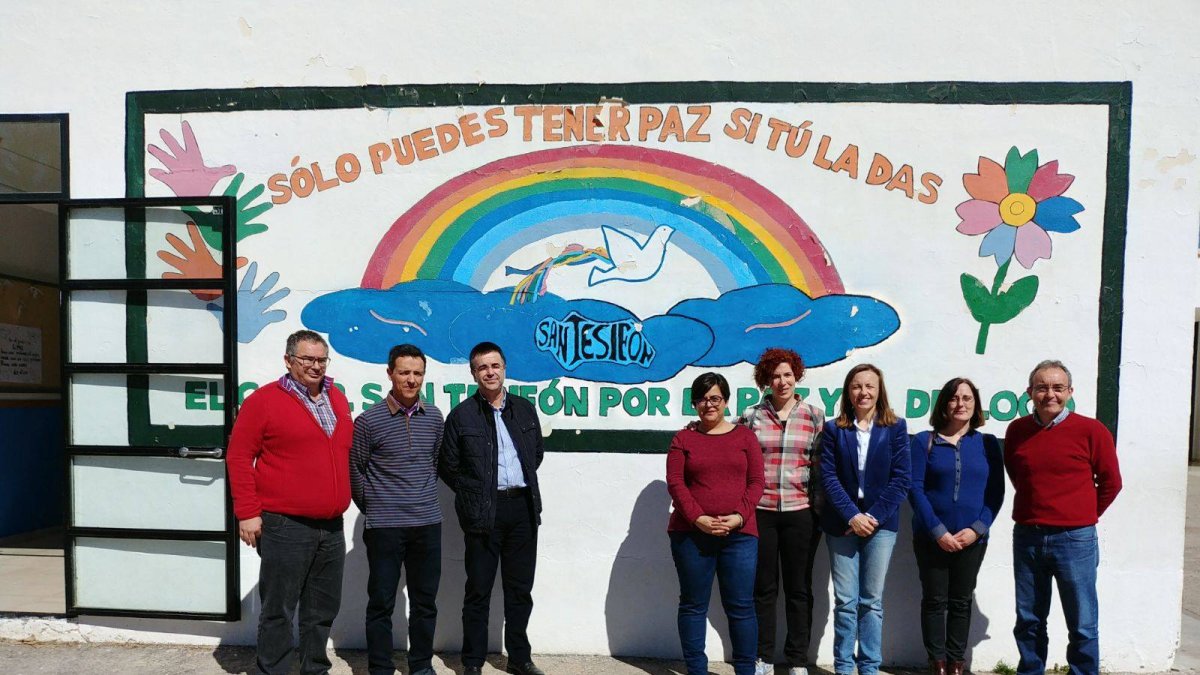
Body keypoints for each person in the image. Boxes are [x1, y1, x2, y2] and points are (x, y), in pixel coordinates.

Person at [226, 330, 353, 675]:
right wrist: (248, 513)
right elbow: (239, 457)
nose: (315, 366)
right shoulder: (264, 401)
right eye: (307, 359)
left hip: (331, 526)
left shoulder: (336, 398)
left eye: (321, 360)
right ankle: (276, 670)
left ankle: (314, 668)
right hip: (285, 524)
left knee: (321, 608)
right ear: (288, 360)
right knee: (279, 609)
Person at [1005, 360, 1122, 675]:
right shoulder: (1017, 431)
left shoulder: (1091, 430)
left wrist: (1082, 515)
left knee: (1082, 622)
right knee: (1029, 619)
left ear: (1070, 392)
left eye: (1058, 387)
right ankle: (1030, 671)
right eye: (1042, 387)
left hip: (1075, 540)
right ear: (1030, 392)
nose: (1049, 394)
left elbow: (1111, 483)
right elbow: (1020, 476)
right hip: (1028, 536)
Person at [439, 342, 546, 675]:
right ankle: (472, 661)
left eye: (495, 365)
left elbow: (535, 455)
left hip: (523, 510)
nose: (490, 372)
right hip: (484, 512)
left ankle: (519, 657)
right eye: (482, 367)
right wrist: (476, 493)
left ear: (504, 368)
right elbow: (448, 465)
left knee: (519, 590)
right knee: (479, 590)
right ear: (473, 373)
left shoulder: (525, 410)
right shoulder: (462, 415)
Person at [351, 344, 445, 675]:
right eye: (404, 372)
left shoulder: (434, 417)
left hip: (427, 525)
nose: (411, 379)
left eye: (417, 373)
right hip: (384, 528)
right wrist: (377, 506)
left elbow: (432, 463)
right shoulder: (368, 421)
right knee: (381, 603)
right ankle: (380, 668)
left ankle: (421, 666)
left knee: (425, 603)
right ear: (390, 373)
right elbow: (357, 470)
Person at [667, 372, 766, 675]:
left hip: (740, 536)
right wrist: (699, 519)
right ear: (694, 402)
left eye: (715, 398)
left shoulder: (745, 437)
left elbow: (756, 482)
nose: (708, 404)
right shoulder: (683, 438)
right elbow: (676, 484)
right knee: (694, 605)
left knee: (740, 607)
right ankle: (697, 669)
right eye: (702, 399)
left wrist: (738, 517)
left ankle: (746, 670)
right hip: (691, 535)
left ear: (725, 401)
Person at [908, 378, 1004, 675]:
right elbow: (915, 488)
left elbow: (996, 493)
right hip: (931, 537)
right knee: (935, 600)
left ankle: (956, 664)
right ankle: (936, 663)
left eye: (967, 398)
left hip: (972, 540)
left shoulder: (987, 444)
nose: (960, 404)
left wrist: (977, 528)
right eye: (954, 398)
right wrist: (938, 531)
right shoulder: (925, 440)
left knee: (961, 601)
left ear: (975, 405)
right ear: (944, 404)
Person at [819, 363, 910, 675]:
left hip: (881, 526)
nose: (863, 392)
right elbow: (828, 477)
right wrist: (852, 515)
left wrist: (870, 516)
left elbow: (902, 479)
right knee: (845, 601)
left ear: (879, 390)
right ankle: (844, 667)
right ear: (848, 391)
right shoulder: (834, 429)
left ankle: (869, 667)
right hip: (841, 525)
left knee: (871, 601)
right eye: (857, 386)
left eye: (870, 386)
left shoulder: (895, 427)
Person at [738, 348, 825, 675]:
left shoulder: (814, 415)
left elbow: (818, 467)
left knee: (799, 589)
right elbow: (735, 455)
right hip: (761, 512)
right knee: (763, 588)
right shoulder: (750, 417)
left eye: (788, 374)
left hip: (801, 513)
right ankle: (763, 657)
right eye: (775, 375)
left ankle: (797, 661)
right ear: (766, 380)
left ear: (797, 376)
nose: (782, 381)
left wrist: (819, 511)